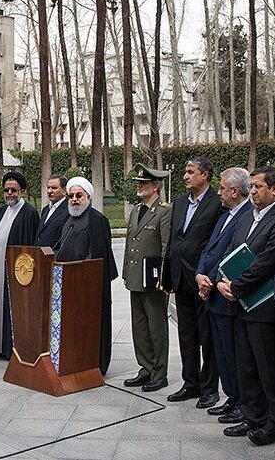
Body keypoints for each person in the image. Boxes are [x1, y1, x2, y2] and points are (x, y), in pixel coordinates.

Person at [216, 166, 275, 445]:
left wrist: (237, 286)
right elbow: (230, 251)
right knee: (247, 366)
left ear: (274, 189)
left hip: (263, 307)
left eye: (258, 187)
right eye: (251, 186)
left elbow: (266, 260)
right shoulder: (246, 218)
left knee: (268, 368)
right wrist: (222, 280)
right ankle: (252, 418)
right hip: (240, 304)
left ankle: (273, 423)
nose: (252, 191)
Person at [162, 157, 222, 408]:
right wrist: (167, 274)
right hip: (180, 277)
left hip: (203, 279)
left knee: (207, 336)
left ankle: (210, 388)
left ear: (205, 175)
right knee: (186, 334)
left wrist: (210, 274)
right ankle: (191, 382)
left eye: (190, 172)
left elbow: (217, 241)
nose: (185, 176)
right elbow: (174, 240)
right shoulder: (179, 202)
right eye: (185, 172)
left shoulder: (217, 203)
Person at [196, 167, 252, 424]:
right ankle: (231, 397)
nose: (217, 192)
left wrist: (214, 280)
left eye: (221, 188)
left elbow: (231, 254)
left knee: (233, 352)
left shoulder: (247, 216)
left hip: (226, 294)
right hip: (212, 293)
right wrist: (200, 275)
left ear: (235, 191)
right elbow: (208, 249)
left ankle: (242, 401)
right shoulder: (225, 216)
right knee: (221, 351)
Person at [55, 177, 117, 374]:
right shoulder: (67, 220)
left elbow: (98, 254)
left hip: (89, 286)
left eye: (78, 196)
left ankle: (95, 363)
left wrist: (83, 274)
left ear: (88, 197)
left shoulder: (97, 220)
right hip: (67, 283)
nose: (74, 199)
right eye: (71, 196)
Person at [122, 165, 172, 392]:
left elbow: (165, 247)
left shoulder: (164, 211)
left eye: (143, 183)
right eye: (139, 183)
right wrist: (125, 272)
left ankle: (159, 373)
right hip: (135, 277)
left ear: (155, 187)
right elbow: (129, 243)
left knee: (156, 328)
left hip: (153, 280)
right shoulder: (136, 210)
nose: (139, 186)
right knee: (139, 327)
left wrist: (163, 277)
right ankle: (146, 369)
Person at [0, 171, 39, 358]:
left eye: (14, 190)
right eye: (7, 190)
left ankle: (13, 347)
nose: (10, 193)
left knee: (14, 307)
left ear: (22, 192)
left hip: (19, 272)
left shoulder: (29, 213)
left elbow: (30, 246)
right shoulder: (2, 211)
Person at [34, 174, 69, 249]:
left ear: (64, 190)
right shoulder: (45, 209)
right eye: (48, 187)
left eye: (54, 188)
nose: (49, 191)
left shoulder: (69, 210)